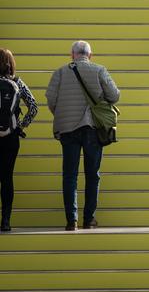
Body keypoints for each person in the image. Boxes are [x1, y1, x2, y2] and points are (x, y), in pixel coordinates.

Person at [45, 41, 120, 231]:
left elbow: (51, 99)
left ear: (72, 55)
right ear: (90, 55)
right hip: (92, 128)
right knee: (92, 175)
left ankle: (71, 221)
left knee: (69, 175)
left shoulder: (60, 72)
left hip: (67, 129)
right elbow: (114, 96)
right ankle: (89, 219)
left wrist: (62, 114)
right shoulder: (99, 70)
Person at [0, 48, 38, 232]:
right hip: (10, 137)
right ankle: (6, 221)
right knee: (7, 178)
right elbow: (33, 106)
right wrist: (20, 126)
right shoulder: (17, 82)